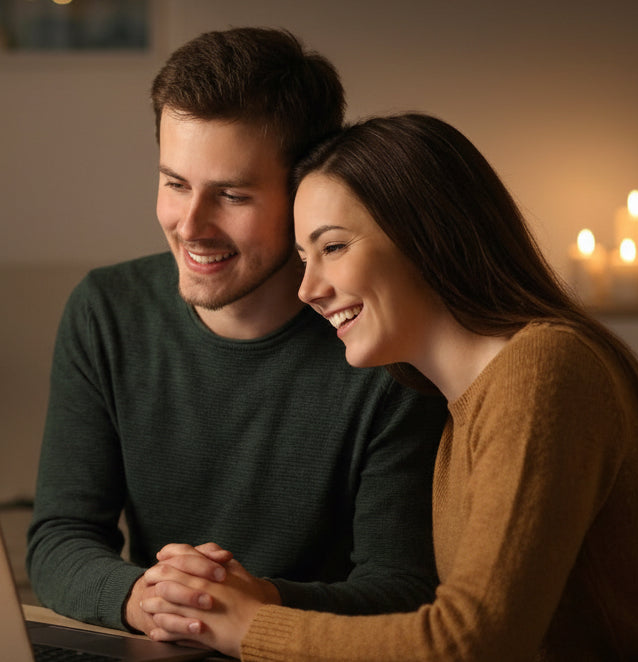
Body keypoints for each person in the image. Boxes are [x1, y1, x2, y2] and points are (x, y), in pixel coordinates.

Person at [139, 113, 638, 659]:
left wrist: (249, 627)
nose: (309, 289)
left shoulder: (544, 368)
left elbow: (469, 642)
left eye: (333, 247)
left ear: (426, 235)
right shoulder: (458, 407)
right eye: (302, 258)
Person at [25, 28, 448, 635]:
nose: (190, 226)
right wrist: (144, 598)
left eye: (231, 195)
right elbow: (60, 537)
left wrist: (252, 603)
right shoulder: (105, 310)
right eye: (174, 183)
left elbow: (401, 586)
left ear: (306, 191)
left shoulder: (382, 343)